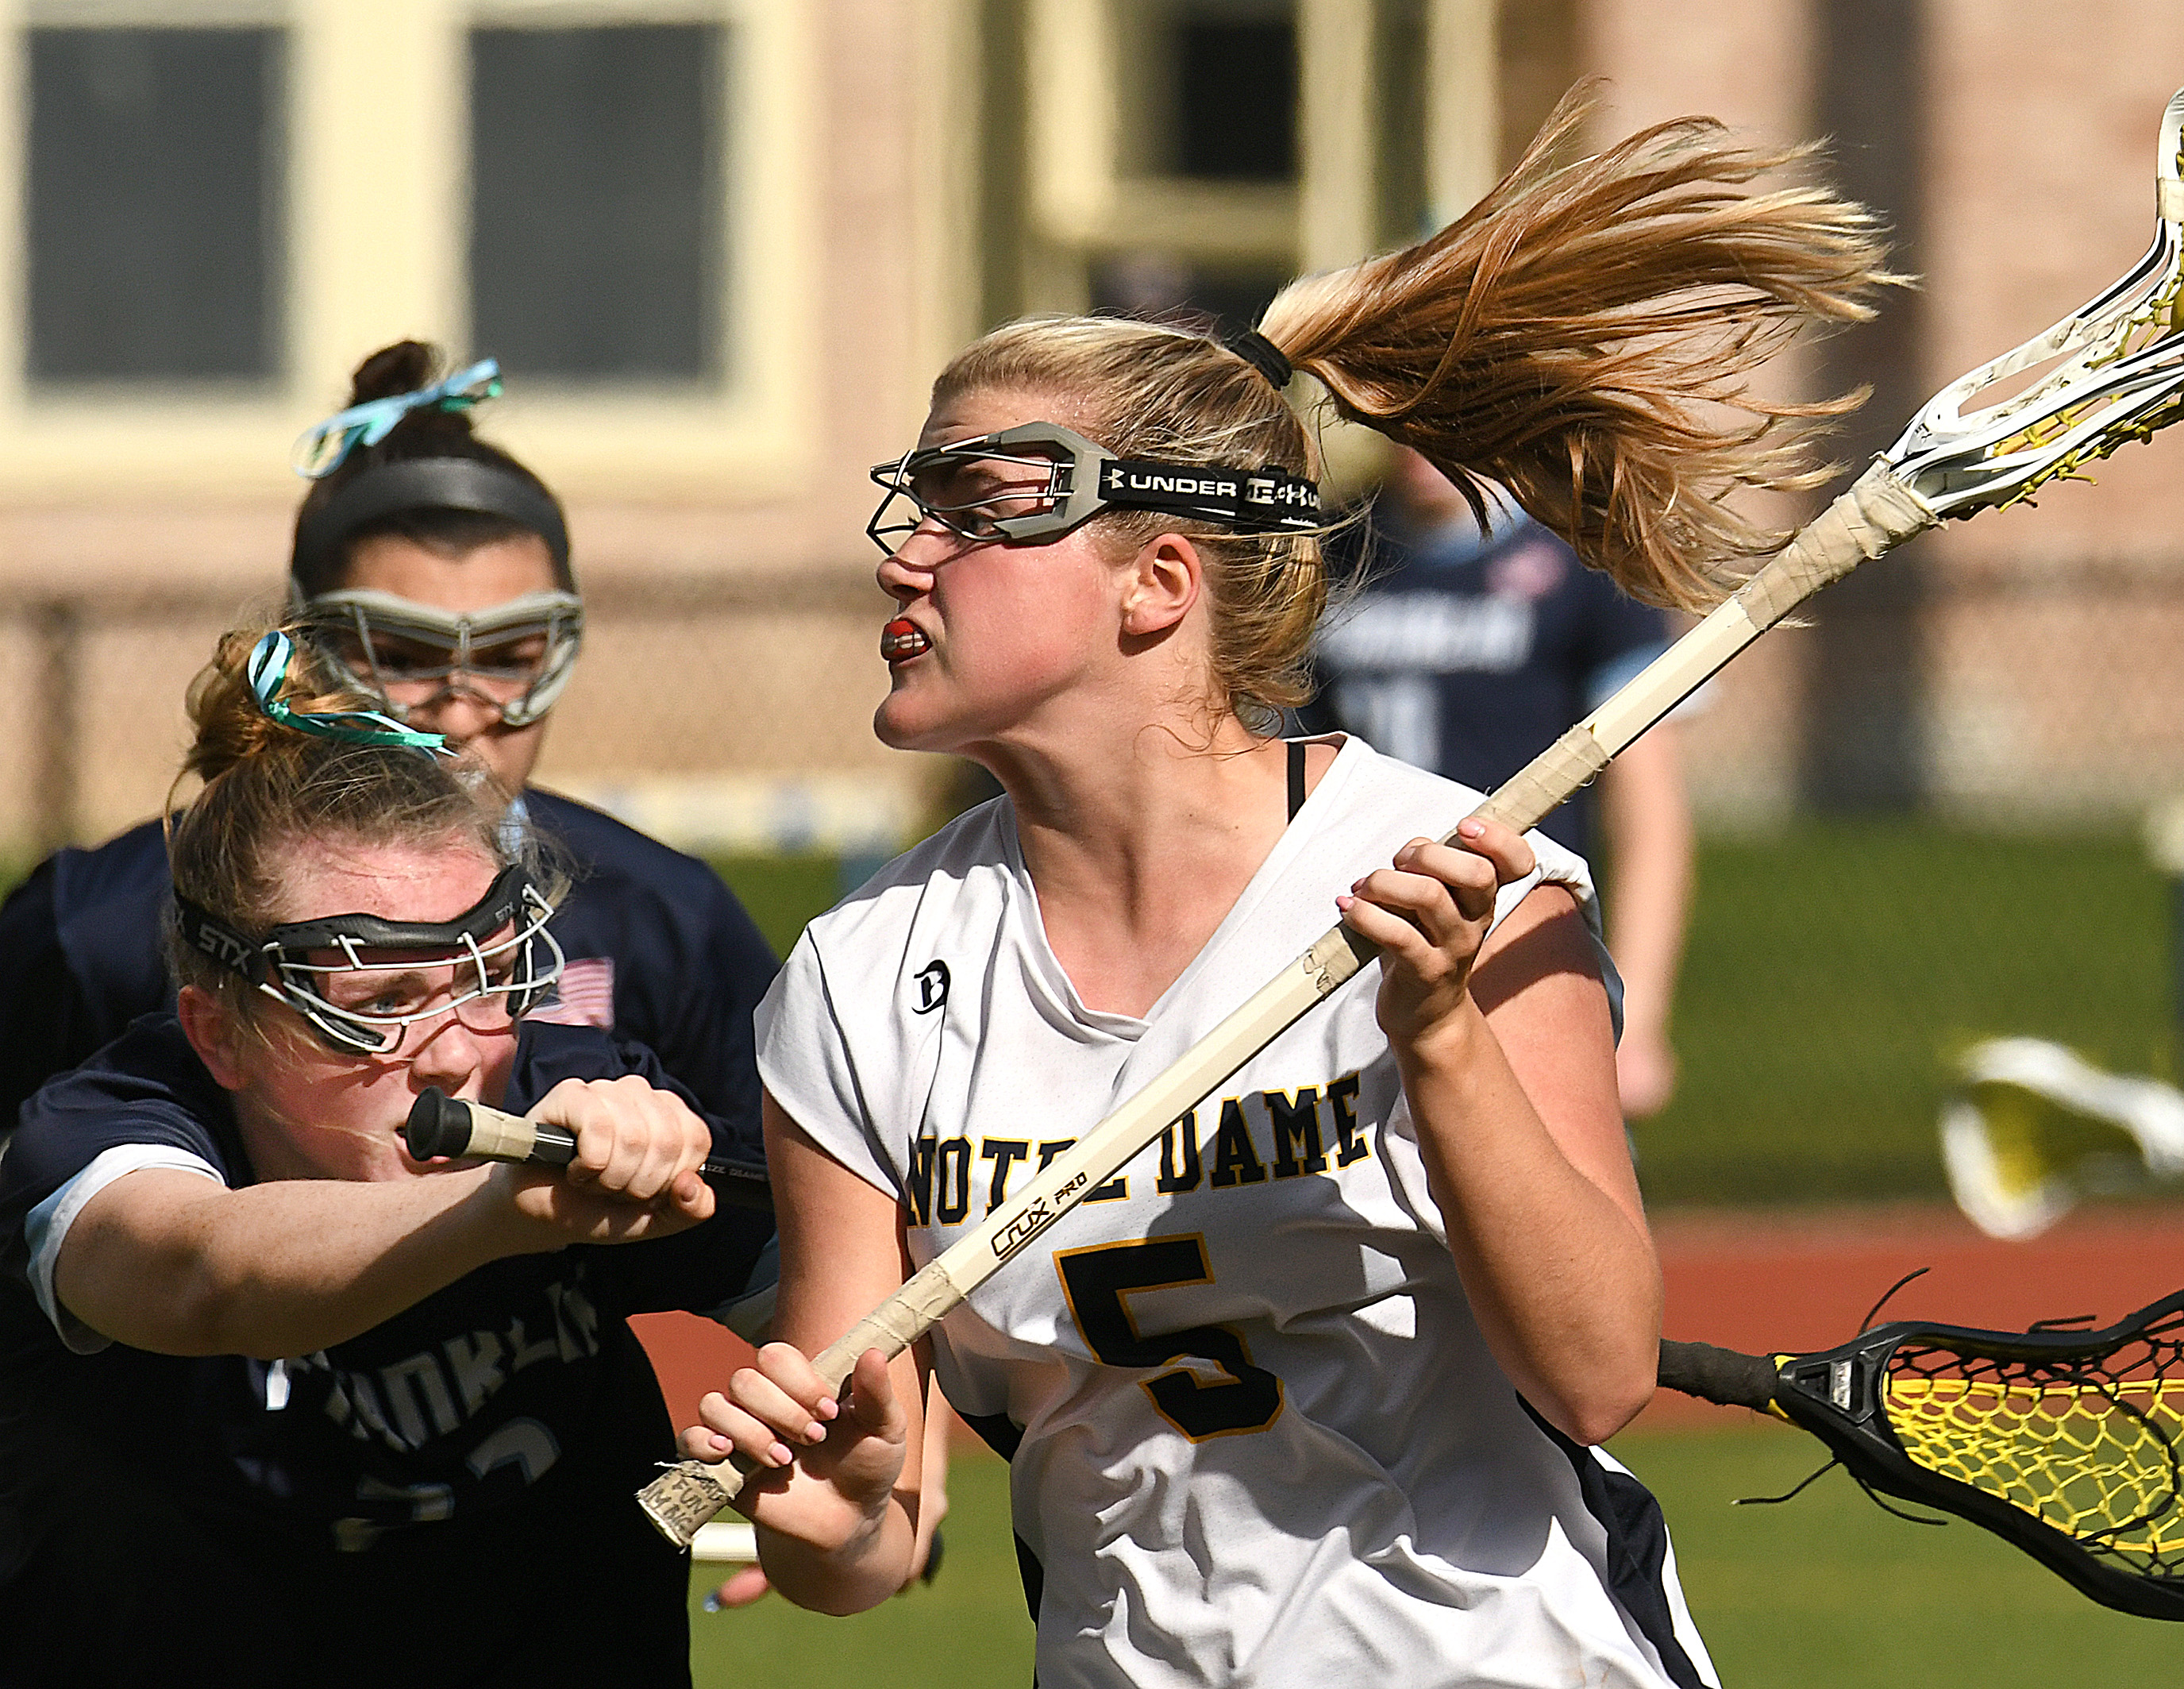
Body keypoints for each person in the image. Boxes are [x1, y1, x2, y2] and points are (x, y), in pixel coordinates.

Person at [681, 99, 1890, 1686]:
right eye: (917, 503)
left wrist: (1442, 1031)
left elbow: (1595, 1373)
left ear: (1158, 582)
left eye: (982, 511)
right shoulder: (857, 981)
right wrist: (818, 1497)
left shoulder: (1455, 882)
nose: (908, 556)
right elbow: (872, 1539)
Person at [0, 630, 775, 1686]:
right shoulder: (105, 1124)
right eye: (380, 1005)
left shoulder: (569, 1079)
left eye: (490, 977)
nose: (457, 1053)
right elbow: (204, 1272)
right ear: (220, 1029)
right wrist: (500, 1207)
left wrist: (853, 1438)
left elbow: (809, 1277)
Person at [0, 341, 780, 1147]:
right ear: (303, 643)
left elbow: (775, 1210)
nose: (460, 711)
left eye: (510, 659)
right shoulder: (95, 925)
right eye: (404, 657)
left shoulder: (666, 917)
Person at [1308, 445, 1698, 1114]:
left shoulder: (1581, 558)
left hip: (1521, 943)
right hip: (1358, 948)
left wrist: (1641, 1010)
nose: (1417, 438)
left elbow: (1650, 812)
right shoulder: (1327, 551)